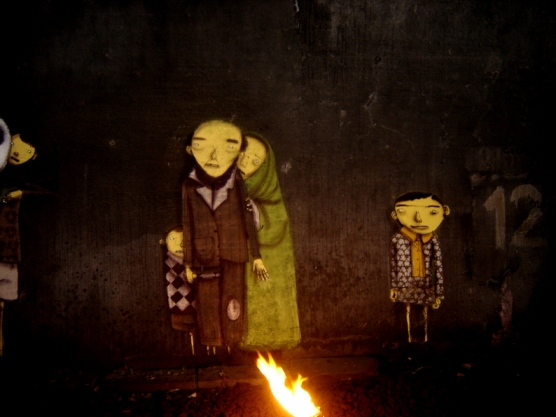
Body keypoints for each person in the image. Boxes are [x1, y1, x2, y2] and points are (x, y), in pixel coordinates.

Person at [181, 120, 268, 351]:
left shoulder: (236, 180)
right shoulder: (189, 184)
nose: (213, 155)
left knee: (233, 299)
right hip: (203, 251)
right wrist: (188, 262)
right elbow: (188, 223)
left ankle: (232, 341)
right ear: (190, 150)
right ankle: (211, 344)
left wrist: (256, 255)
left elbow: (247, 218)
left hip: (234, 249)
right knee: (207, 299)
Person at [238, 132, 301, 350]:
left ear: (263, 169)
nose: (244, 162)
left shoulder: (269, 195)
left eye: (255, 161)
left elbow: (273, 228)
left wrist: (251, 210)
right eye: (242, 153)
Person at [389, 192, 449, 343]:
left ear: (444, 212)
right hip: (405, 283)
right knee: (408, 309)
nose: (418, 218)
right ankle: (409, 339)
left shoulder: (432, 239)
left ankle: (426, 339)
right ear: (395, 214)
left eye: (432, 211)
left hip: (425, 283)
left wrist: (438, 293)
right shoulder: (397, 239)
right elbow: (393, 265)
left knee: (425, 310)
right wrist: (394, 287)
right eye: (404, 211)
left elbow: (438, 265)